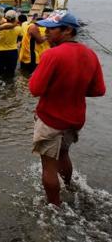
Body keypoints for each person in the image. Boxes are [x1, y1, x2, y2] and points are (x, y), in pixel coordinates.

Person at [29, 11, 105, 206]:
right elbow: (98, 91)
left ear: (67, 30)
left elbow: (34, 89)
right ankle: (69, 186)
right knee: (63, 154)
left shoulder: (51, 55)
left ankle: (54, 206)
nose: (45, 32)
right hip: (75, 120)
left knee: (48, 166)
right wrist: (73, 89)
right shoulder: (91, 54)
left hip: (51, 119)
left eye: (51, 29)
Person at [0, 10, 22, 78]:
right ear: (15, 18)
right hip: (13, 52)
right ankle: (11, 86)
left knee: (0, 71)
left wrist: (1, 23)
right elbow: (20, 36)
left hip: (1, 52)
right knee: (11, 72)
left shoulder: (1, 28)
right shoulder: (18, 28)